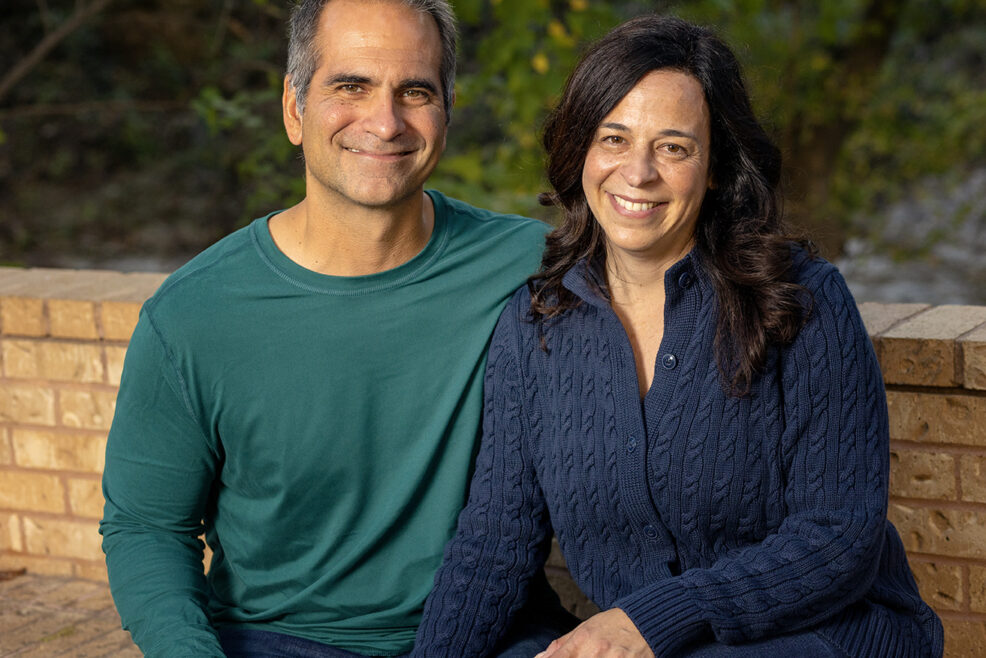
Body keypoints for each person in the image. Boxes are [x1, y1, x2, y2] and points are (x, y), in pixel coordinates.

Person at [412, 14, 944, 658]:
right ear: (582, 149)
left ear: (715, 167)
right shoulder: (535, 329)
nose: (637, 173)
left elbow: (840, 536)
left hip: (826, 633)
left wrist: (654, 617)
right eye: (614, 138)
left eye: (673, 147)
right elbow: (493, 545)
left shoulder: (802, 300)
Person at [98, 0, 576, 656]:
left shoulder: (532, 267)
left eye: (415, 91)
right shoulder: (192, 316)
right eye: (350, 86)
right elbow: (146, 526)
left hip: (494, 631)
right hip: (277, 637)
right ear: (294, 109)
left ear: (447, 112)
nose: (384, 122)